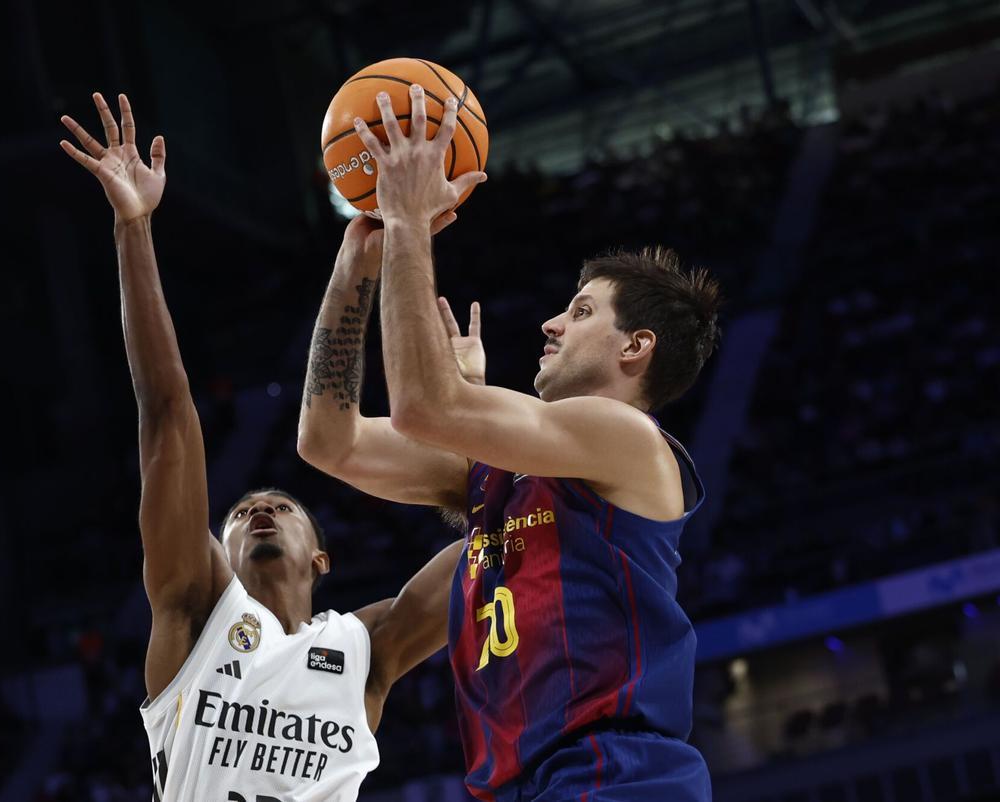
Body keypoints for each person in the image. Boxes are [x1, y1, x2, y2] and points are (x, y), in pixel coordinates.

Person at [58, 92, 464, 802]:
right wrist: (133, 228)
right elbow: (166, 412)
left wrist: (476, 428)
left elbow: (503, 531)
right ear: (218, 548)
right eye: (243, 512)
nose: (260, 511)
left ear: (322, 557)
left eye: (280, 505)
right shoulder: (193, 615)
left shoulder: (364, 650)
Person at [323, 84, 722, 800]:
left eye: (581, 311)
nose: (552, 325)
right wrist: (357, 267)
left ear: (636, 346)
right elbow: (330, 441)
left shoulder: (627, 436)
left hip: (619, 777)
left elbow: (421, 406)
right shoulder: (498, 500)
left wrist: (411, 222)